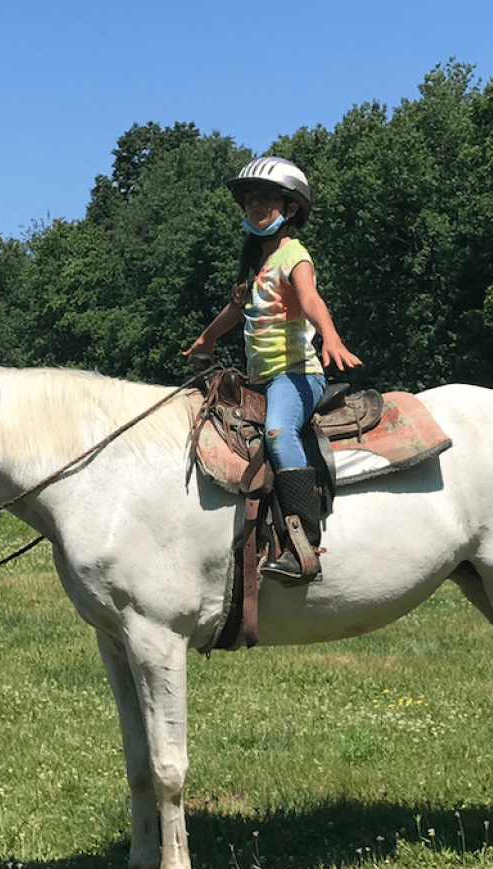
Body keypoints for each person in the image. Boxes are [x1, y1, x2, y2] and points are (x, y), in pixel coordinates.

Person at [185, 156, 361, 582]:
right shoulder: (255, 263)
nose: (255, 206)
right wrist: (207, 339)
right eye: (250, 200)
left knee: (279, 434)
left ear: (291, 208)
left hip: (296, 376)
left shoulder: (294, 255)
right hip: (260, 379)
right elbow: (236, 310)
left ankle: (305, 545)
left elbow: (311, 299)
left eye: (265, 198)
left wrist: (331, 337)